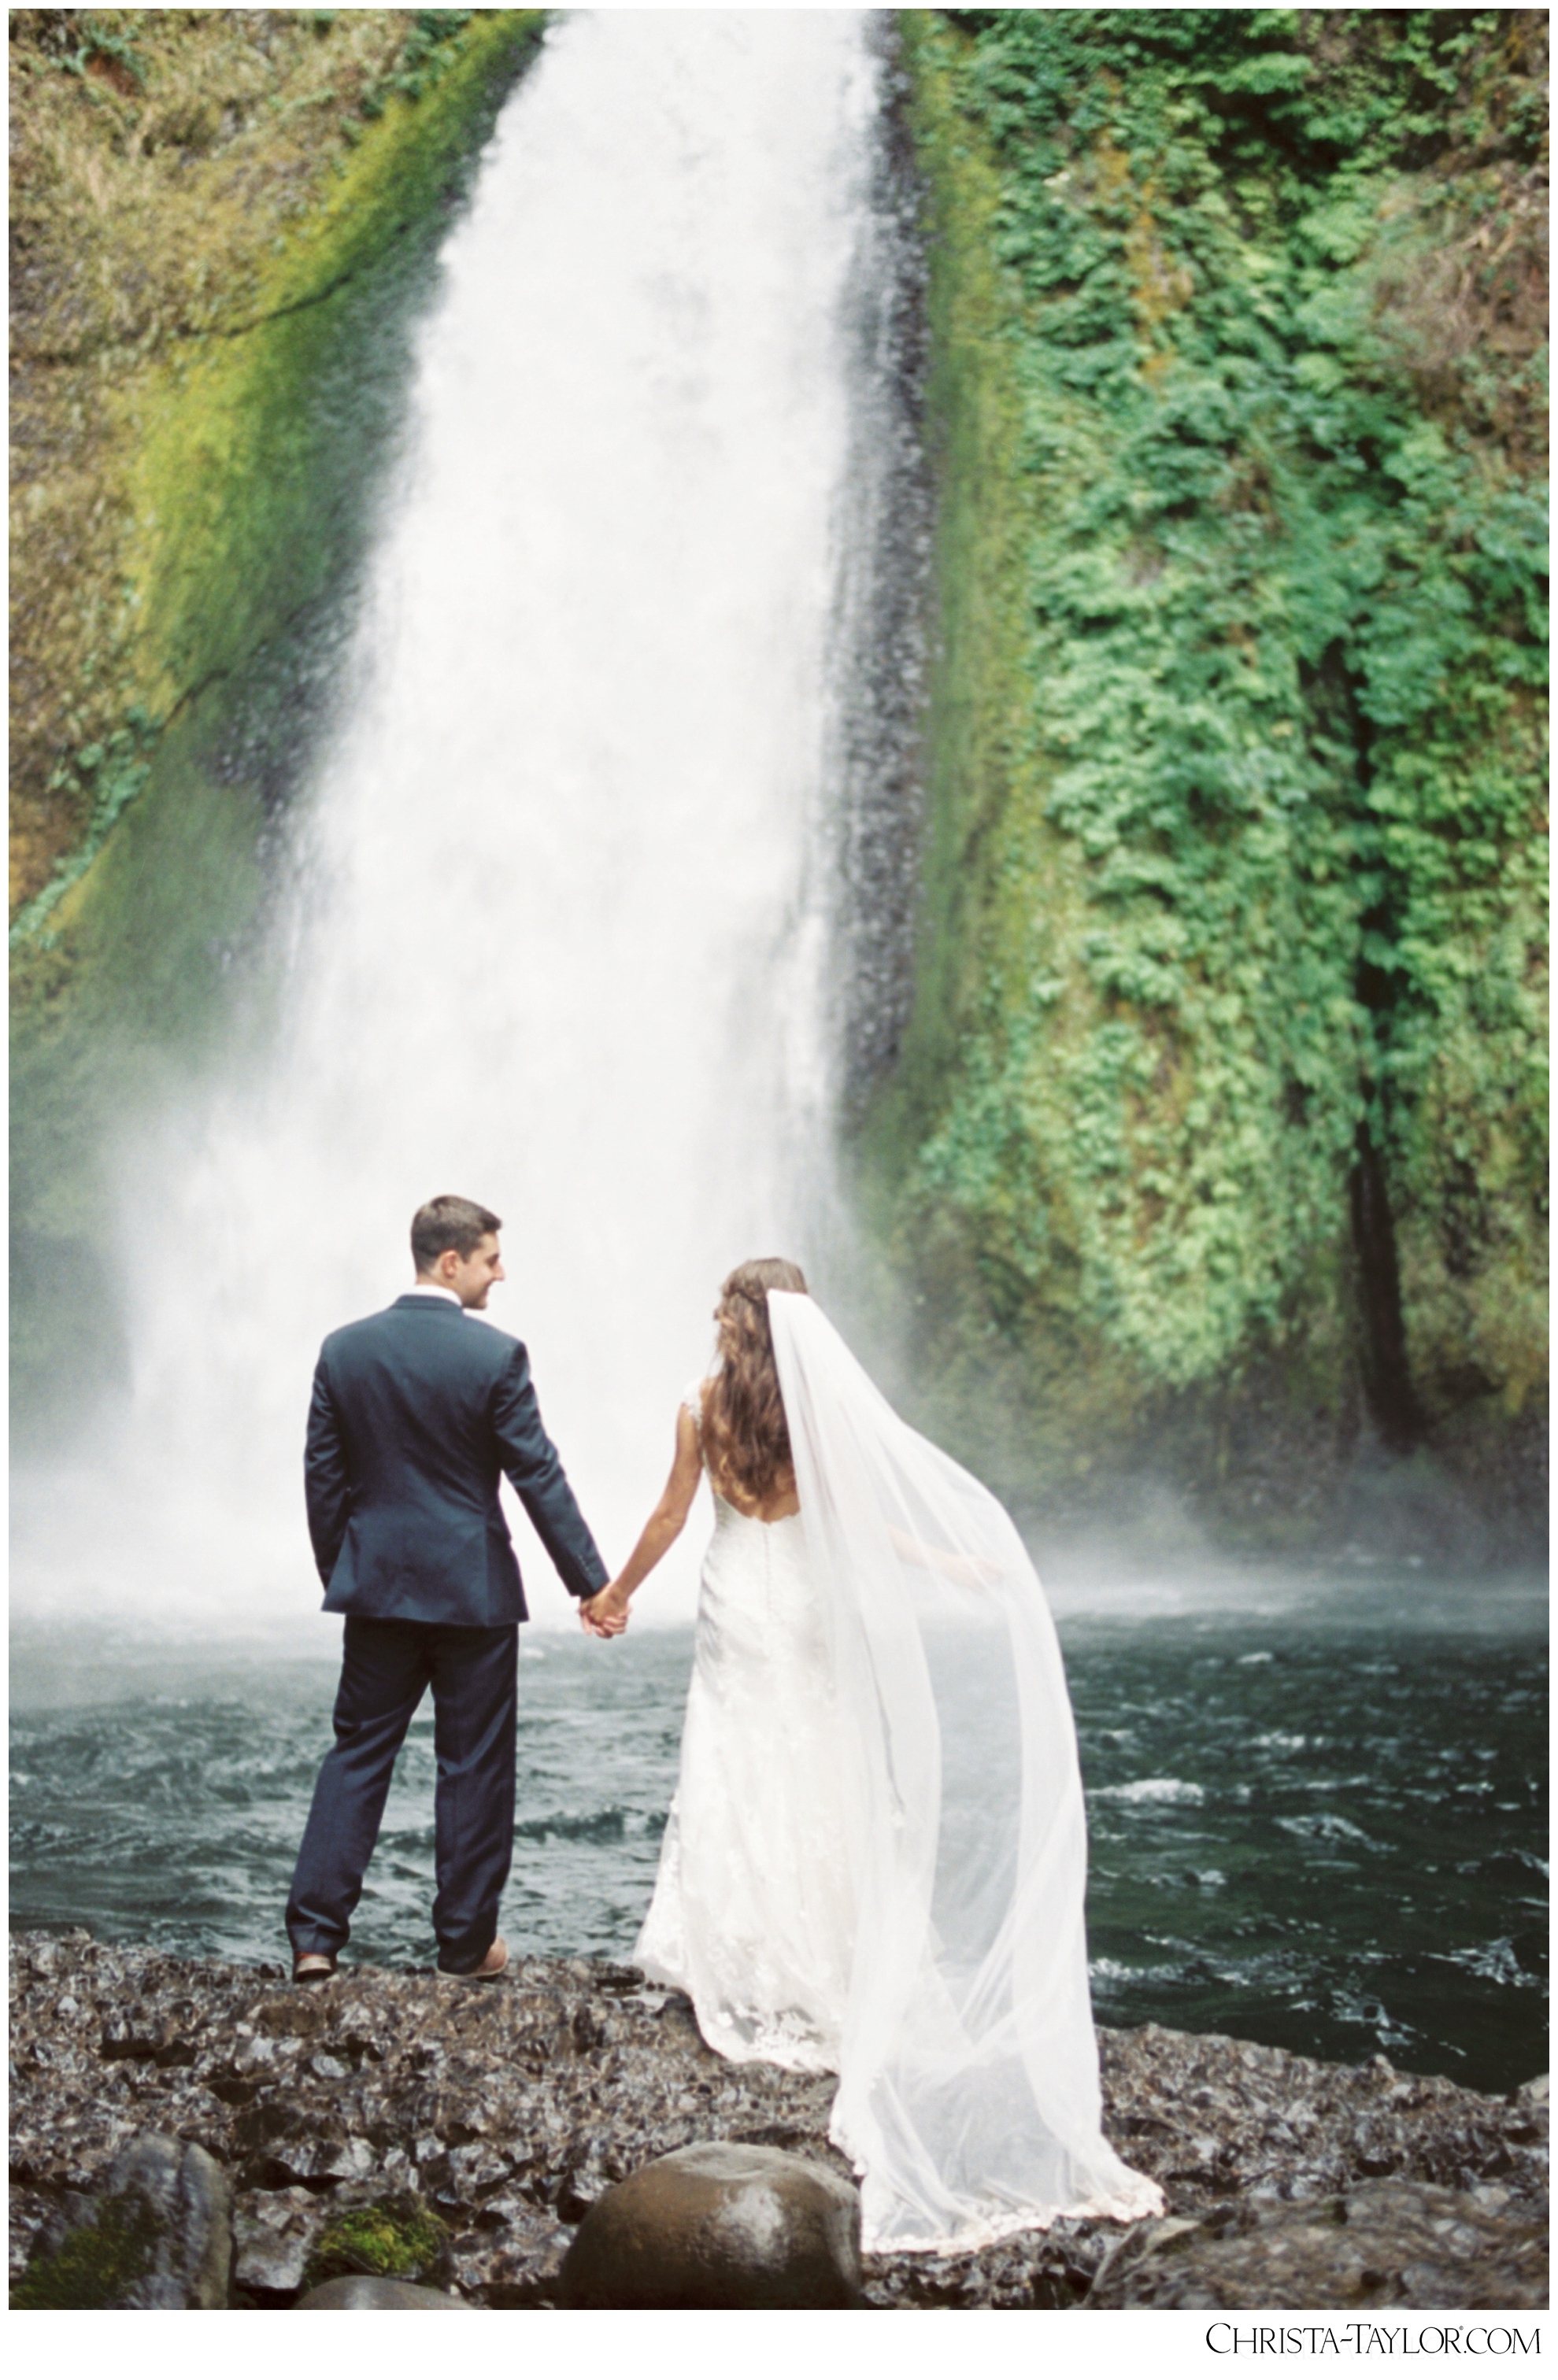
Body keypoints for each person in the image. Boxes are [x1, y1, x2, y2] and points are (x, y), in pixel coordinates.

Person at [581, 1258, 1163, 2254]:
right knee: (818, 1766)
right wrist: (951, 1563)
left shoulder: (698, 1406)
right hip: (808, 1608)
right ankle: (831, 1952)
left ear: (733, 1318)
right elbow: (862, 1520)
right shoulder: (815, 1415)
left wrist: (613, 1591)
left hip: (736, 1601)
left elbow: (672, 1517)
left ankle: (733, 1953)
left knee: (733, 1763)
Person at [286, 1195, 609, 1986]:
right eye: (492, 1259)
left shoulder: (344, 1351)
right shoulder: (494, 1358)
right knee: (473, 1766)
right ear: (451, 1260)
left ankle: (315, 1942)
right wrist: (590, 1584)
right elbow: (537, 1475)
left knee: (357, 1755)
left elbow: (323, 1480)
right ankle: (465, 1946)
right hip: (473, 1593)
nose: (503, 1274)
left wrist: (348, 1572)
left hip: (378, 1589)